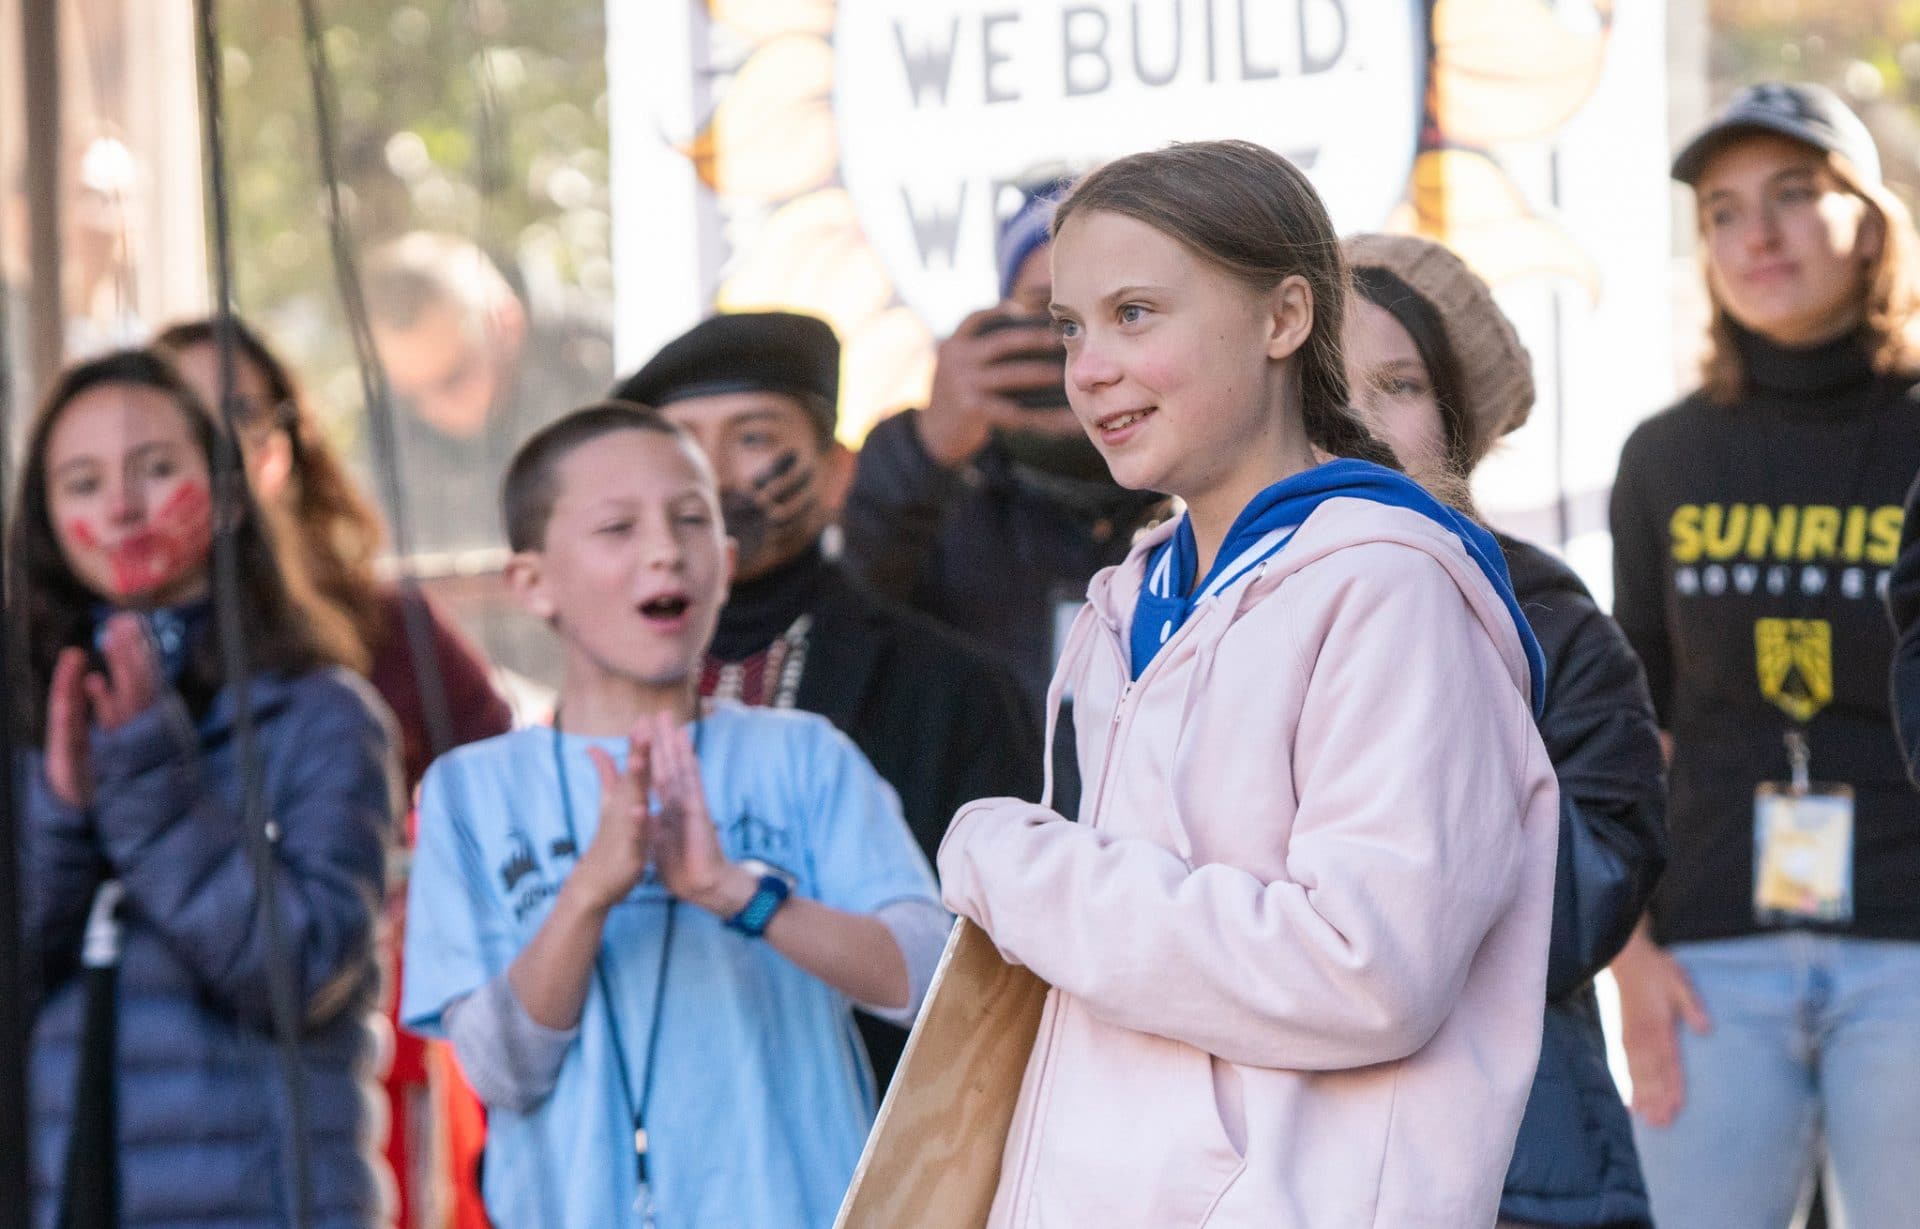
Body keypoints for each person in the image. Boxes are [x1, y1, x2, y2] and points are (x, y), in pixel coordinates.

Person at [936, 140, 1560, 1225]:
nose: (1088, 368)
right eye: (1071, 326)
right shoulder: (1138, 594)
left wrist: (1020, 869)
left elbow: (1368, 969)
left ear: (1284, 319)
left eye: (1137, 313)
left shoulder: (1386, 583)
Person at [399, 402, 947, 1228]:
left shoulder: (805, 755)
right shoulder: (469, 791)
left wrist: (739, 893)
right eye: (618, 527)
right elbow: (502, 1072)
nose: (666, 549)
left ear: (723, 565)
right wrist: (587, 893)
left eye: (691, 519)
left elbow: (928, 982)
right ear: (533, 581)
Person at [1609, 81, 1920, 1229]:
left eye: (1794, 196)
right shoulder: (1665, 456)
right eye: (1725, 212)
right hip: (1710, 960)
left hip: (1909, 942)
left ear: (1870, 220)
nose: (1760, 235)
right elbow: (1631, 724)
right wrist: (1628, 950)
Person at [12, 350, 396, 1227]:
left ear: (227, 495)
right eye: (81, 482)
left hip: (262, 1200)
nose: (122, 506)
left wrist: (149, 778)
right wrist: (63, 820)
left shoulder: (323, 714)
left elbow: (301, 971)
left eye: (156, 469)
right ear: (46, 522)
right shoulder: (34, 709)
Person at [610, 310, 1039, 1086]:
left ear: (839, 472)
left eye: (750, 438)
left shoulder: (949, 687)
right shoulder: (609, 683)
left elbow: (990, 974)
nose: (710, 474)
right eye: (678, 443)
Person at [155, 316, 514, 1229]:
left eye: (238, 413)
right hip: (162, 1090)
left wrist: (407, 890)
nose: (215, 446)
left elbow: (505, 799)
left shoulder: (390, 628)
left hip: (365, 1077)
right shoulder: (87, 653)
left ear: (288, 442)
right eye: (182, 419)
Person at [1344, 232, 1668, 1229]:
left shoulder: (1551, 619)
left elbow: (1584, 901)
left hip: (1519, 1167)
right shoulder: (1196, 603)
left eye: (1397, 383)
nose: (1354, 419)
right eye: (1321, 386)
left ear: (1460, 422)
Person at [842, 179, 1165, 707]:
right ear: (996, 326)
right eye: (1051, 314)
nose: (1081, 350)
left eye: (1122, 312)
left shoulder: (1196, 486)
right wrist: (924, 447)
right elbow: (853, 608)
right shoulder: (946, 503)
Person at [365, 230, 611, 554]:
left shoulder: (602, 371)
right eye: (410, 395)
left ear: (507, 323)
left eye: (452, 379)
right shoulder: (390, 429)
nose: (433, 408)